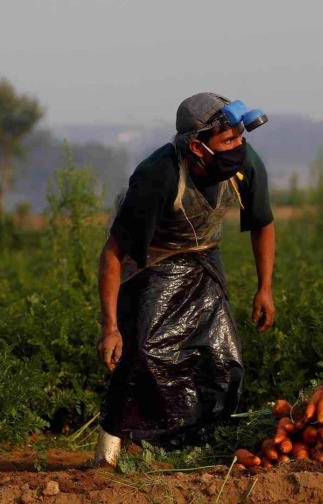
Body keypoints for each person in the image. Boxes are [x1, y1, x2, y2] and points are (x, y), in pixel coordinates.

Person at [94, 92, 276, 465]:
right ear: (197, 147)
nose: (239, 147)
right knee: (145, 354)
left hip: (205, 258)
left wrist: (265, 288)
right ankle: (111, 453)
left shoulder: (244, 164)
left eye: (241, 137)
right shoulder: (156, 176)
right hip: (151, 262)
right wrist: (110, 326)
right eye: (228, 141)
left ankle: (198, 449)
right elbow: (113, 254)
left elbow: (262, 224)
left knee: (222, 360)